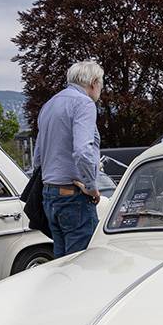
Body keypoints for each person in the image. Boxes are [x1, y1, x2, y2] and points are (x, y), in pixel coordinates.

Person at [34, 60, 104, 257]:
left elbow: (37, 156)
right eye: (101, 84)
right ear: (93, 82)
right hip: (73, 196)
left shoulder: (49, 105)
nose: (100, 89)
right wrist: (91, 187)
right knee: (82, 264)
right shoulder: (84, 103)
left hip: (50, 194)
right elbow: (83, 151)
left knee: (61, 262)